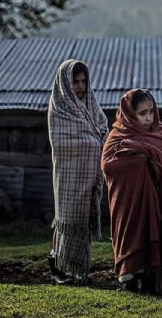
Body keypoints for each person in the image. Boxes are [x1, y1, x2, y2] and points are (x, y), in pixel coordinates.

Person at [101, 89, 162, 296]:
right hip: (130, 203)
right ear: (129, 113)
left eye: (151, 112)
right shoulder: (118, 136)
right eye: (142, 113)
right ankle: (130, 276)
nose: (148, 118)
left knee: (154, 234)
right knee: (134, 231)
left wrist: (139, 152)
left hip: (157, 199)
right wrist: (136, 157)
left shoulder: (161, 134)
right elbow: (108, 165)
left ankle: (151, 280)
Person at [47, 59, 109, 285]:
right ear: (65, 84)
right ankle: (59, 265)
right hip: (69, 176)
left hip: (89, 177)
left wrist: (96, 142)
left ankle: (78, 269)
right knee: (68, 219)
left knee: (82, 221)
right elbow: (63, 143)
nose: (81, 86)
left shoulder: (91, 104)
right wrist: (91, 143)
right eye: (75, 82)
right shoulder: (60, 108)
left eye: (83, 81)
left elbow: (103, 130)